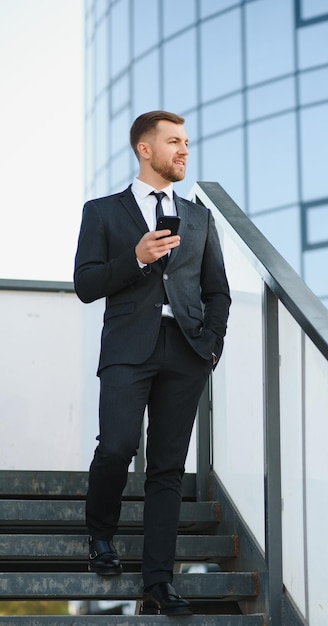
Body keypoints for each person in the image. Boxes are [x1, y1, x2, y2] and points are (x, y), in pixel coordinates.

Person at [73, 110, 231, 616]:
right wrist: (137, 257)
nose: (184, 150)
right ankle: (100, 535)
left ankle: (158, 584)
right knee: (117, 444)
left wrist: (210, 345)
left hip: (185, 351)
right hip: (126, 347)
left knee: (167, 469)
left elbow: (218, 291)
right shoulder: (102, 212)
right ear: (145, 149)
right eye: (174, 142)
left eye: (186, 142)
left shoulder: (200, 216)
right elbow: (85, 284)